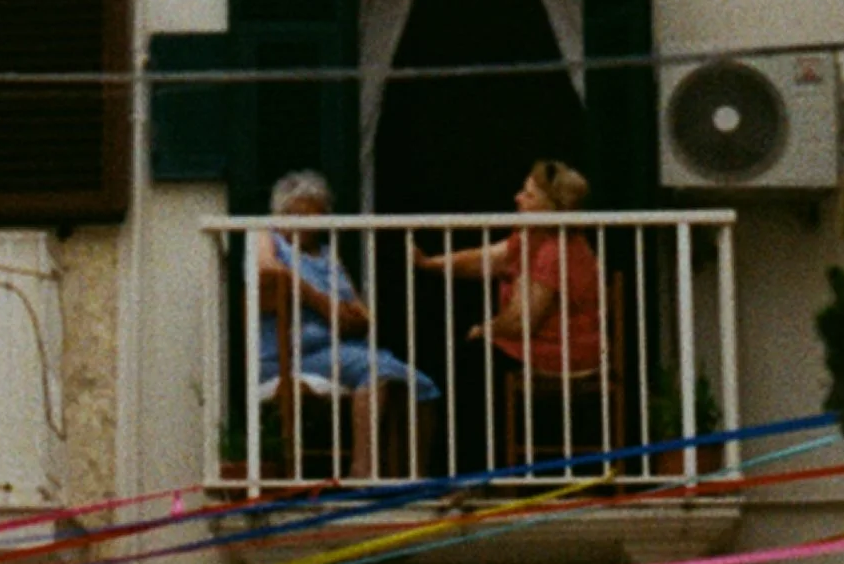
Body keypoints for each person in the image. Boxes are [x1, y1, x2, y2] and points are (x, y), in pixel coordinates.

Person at [253, 169, 438, 478]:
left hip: (346, 348)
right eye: (300, 217)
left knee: (424, 386)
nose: (308, 227)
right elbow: (270, 271)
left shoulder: (328, 255)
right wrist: (325, 305)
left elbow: (361, 314)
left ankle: (414, 476)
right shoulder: (266, 238)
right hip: (294, 353)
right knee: (376, 372)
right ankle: (361, 471)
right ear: (281, 214)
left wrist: (331, 308)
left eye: (316, 218)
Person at [423, 160, 608, 467]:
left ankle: (471, 472)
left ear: (550, 208)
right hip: (539, 345)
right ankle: (466, 470)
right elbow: (485, 259)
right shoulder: (531, 238)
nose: (517, 198)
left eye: (529, 195)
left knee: (471, 361)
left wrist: (485, 329)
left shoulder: (554, 249)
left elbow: (522, 321)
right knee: (468, 357)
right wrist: (430, 264)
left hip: (563, 352)